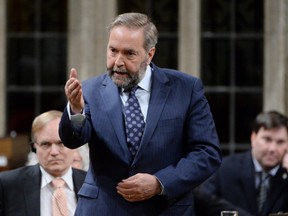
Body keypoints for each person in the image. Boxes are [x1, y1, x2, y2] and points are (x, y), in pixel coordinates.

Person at [59, 12, 222, 215]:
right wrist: (75, 110)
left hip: (165, 209)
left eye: (129, 54)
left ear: (150, 54)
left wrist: (159, 182)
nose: (118, 61)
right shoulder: (90, 90)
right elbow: (73, 140)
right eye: (112, 51)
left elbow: (207, 153)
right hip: (103, 208)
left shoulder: (186, 89)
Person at [201, 110, 288, 216]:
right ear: (253, 138)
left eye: (280, 142)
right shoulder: (225, 168)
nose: (272, 148)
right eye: (267, 139)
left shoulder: (286, 174)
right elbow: (202, 200)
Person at [0, 110, 87, 216]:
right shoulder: (8, 185)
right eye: (46, 144)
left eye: (61, 143)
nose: (54, 152)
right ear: (34, 147)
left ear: (74, 144)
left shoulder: (93, 184)